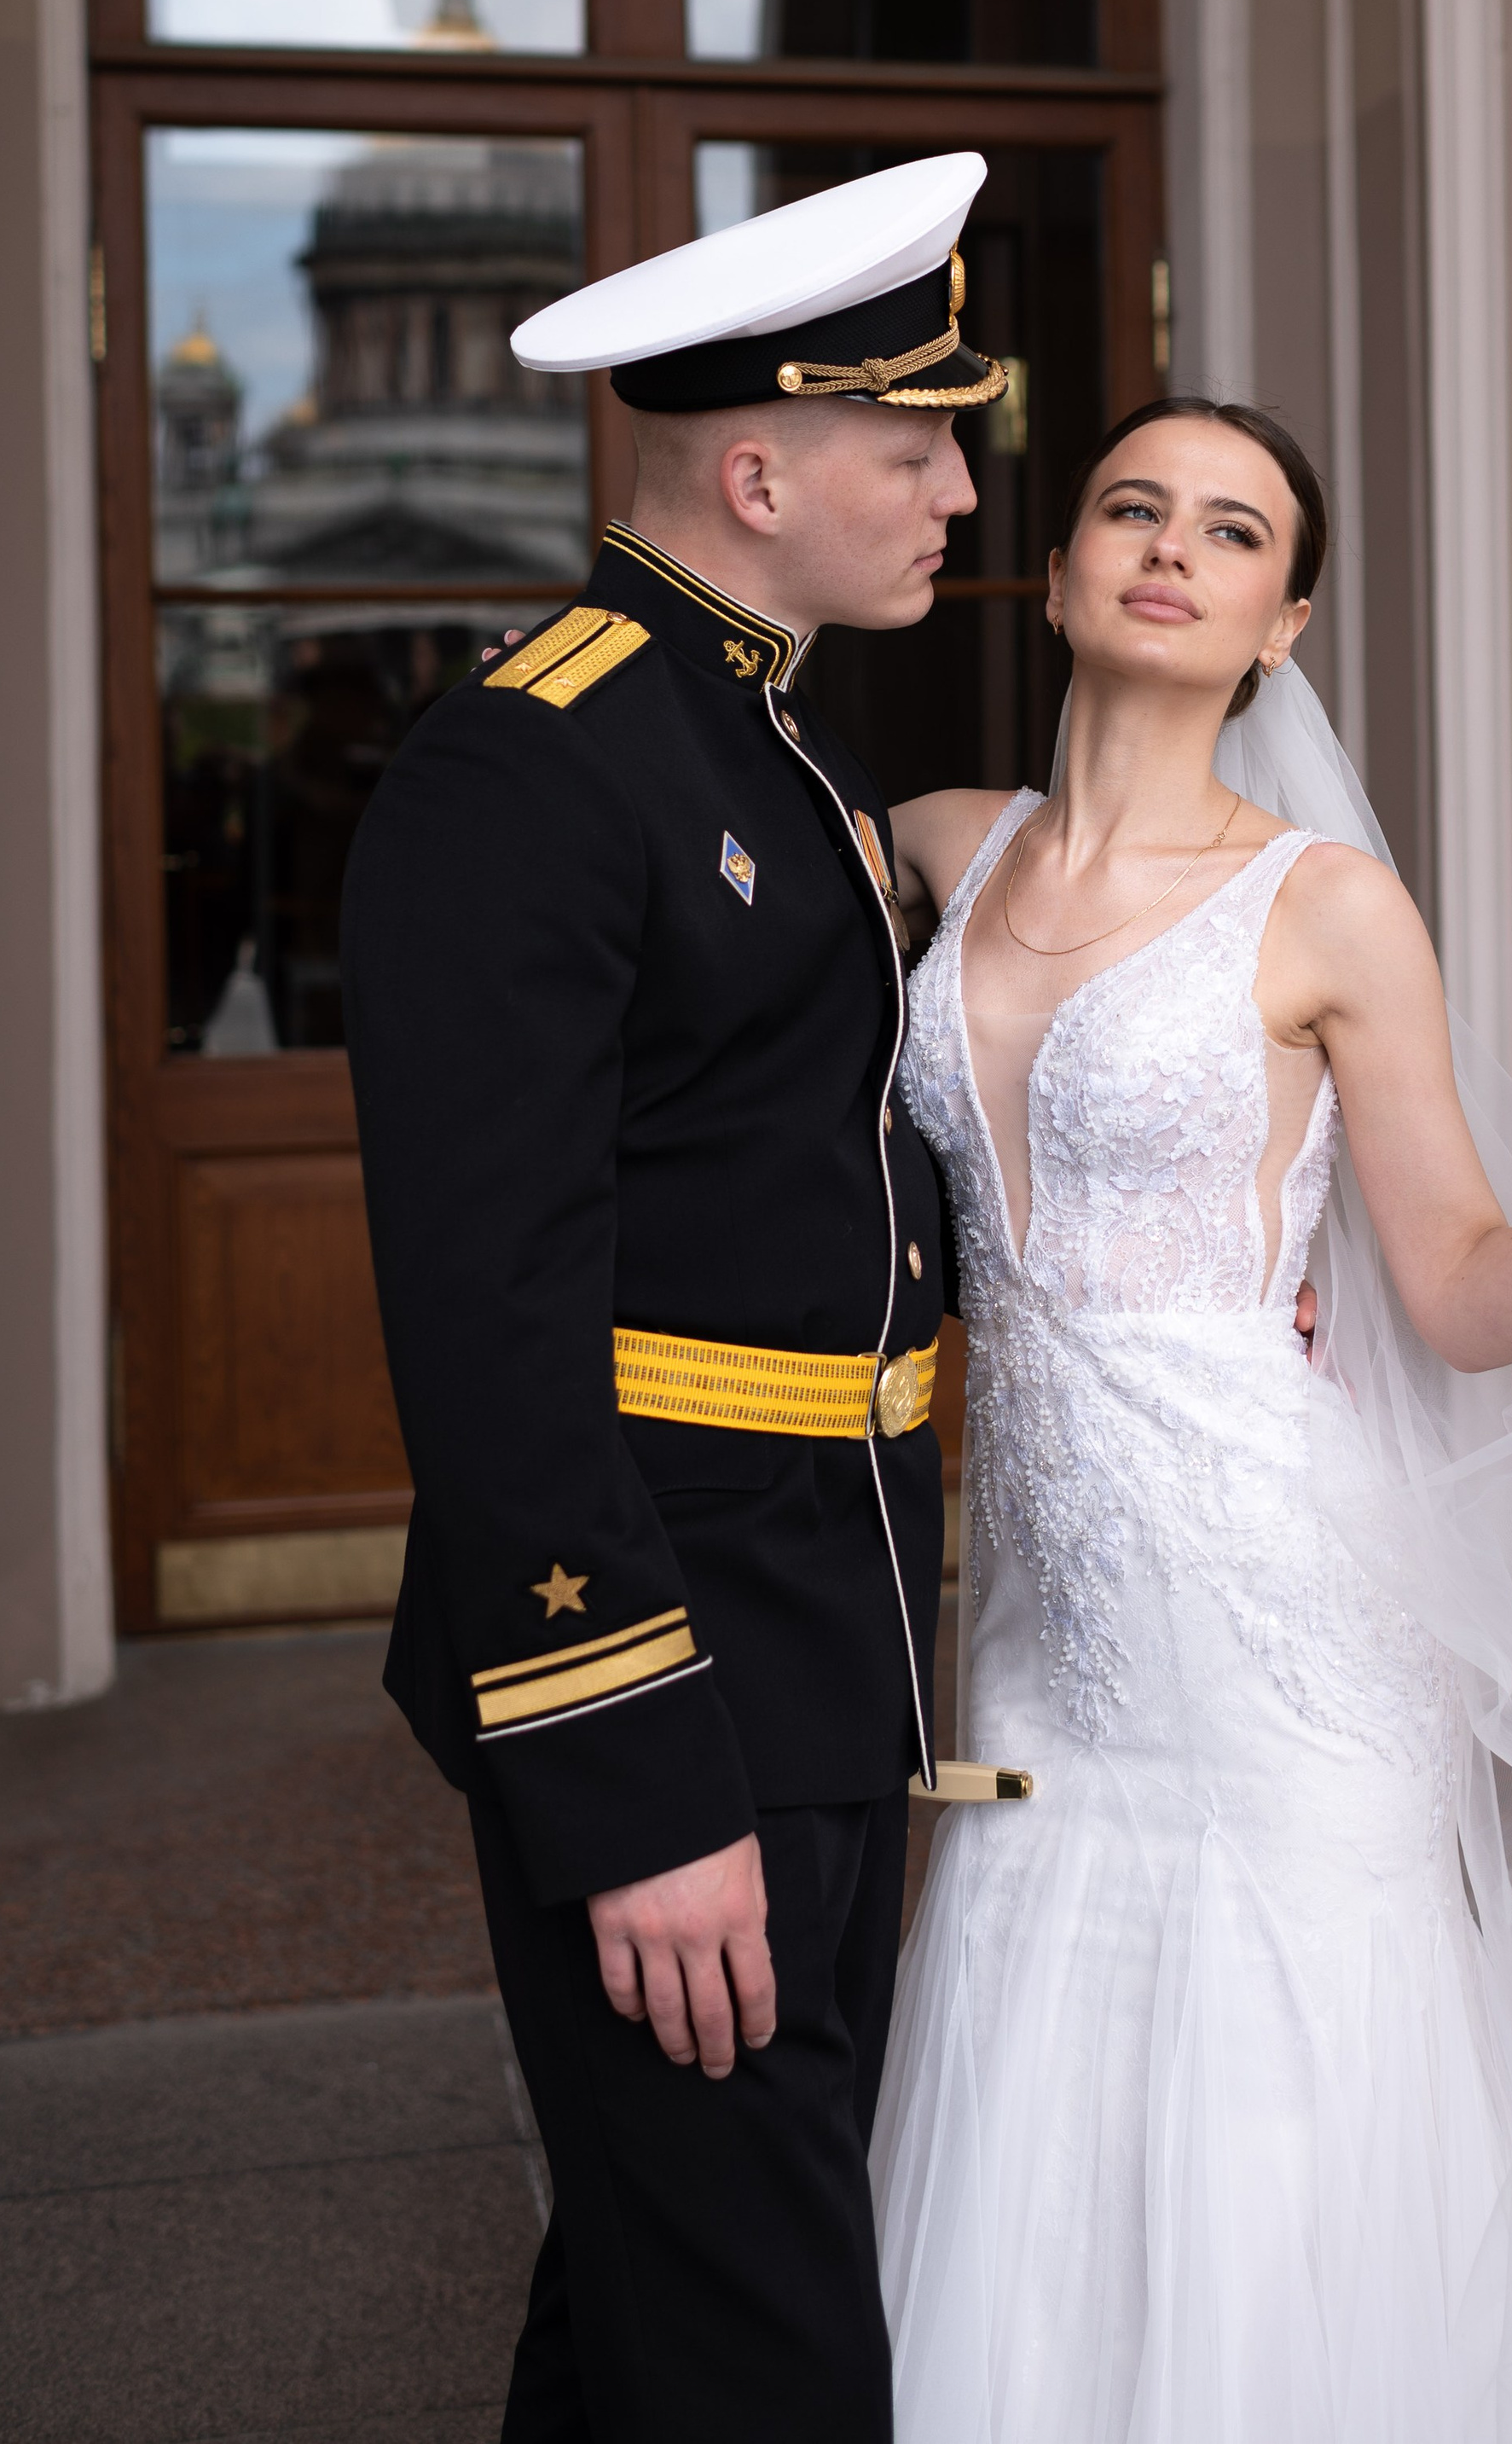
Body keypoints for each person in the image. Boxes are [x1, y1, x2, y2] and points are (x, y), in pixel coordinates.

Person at [871, 396, 1512, 2444]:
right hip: (1043, 1618)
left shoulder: (1324, 904)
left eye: (1230, 531)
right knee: (1037, 2035)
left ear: (1279, 624)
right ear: (1059, 567)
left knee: (1289, 2091)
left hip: (1274, 1595)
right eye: (1131, 509)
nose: (1169, 548)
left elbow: (1446, 1283)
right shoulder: (925, 842)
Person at [340, 153, 1007, 2444]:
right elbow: (490, 1322)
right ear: (758, 475)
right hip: (672, 1664)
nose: (957, 493)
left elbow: (813, 1172)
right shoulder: (534, 760)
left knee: (669, 2291)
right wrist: (627, 1781)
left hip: (823, 1622)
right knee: (760, 2337)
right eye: (916, 448)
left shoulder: (772, 734)